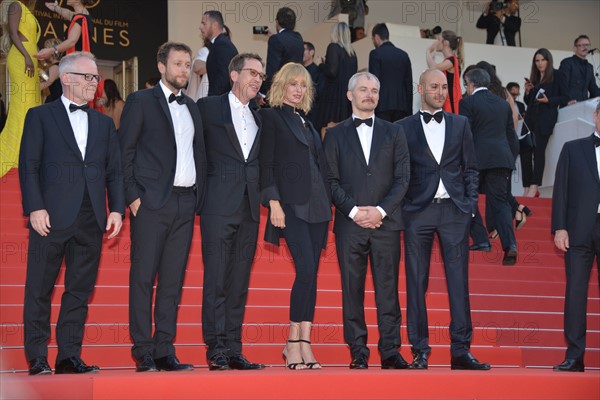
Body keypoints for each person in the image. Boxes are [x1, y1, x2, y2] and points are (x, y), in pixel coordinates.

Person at [19, 51, 124, 375]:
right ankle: (37, 358)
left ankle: (68, 357)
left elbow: (114, 172)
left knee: (79, 290)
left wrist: (117, 209)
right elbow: (29, 166)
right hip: (49, 217)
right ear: (66, 78)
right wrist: (35, 207)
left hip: (90, 217)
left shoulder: (104, 123)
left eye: (96, 77)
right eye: (88, 77)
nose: (95, 83)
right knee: (39, 289)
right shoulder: (40, 116)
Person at [120, 41, 207, 373]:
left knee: (172, 281)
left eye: (188, 65)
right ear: (161, 66)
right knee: (143, 278)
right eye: (178, 64)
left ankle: (164, 349)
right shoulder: (140, 102)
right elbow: (123, 153)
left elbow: (199, 154)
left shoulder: (193, 107)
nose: (184, 70)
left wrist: (199, 197)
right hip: (151, 204)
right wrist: (133, 197)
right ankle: (142, 349)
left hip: (186, 204)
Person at [396, 69, 490, 371]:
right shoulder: (402, 127)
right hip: (417, 213)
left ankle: (461, 350)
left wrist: (470, 206)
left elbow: (471, 168)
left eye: (444, 87)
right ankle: (419, 350)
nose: (440, 92)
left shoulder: (461, 124)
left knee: (458, 282)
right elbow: (399, 173)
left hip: (454, 212)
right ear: (420, 88)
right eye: (434, 86)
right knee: (416, 282)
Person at [323, 72, 410, 370]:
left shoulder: (395, 132)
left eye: (374, 90)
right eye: (363, 89)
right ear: (350, 94)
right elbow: (330, 181)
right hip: (350, 225)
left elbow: (403, 178)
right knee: (352, 291)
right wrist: (354, 212)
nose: (369, 95)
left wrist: (380, 211)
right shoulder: (334, 135)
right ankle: (358, 351)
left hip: (386, 224)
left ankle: (390, 351)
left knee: (389, 291)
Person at [197, 53, 266, 371]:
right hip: (217, 206)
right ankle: (216, 348)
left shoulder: (260, 115)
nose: (257, 79)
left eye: (261, 76)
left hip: (250, 208)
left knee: (239, 281)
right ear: (234, 74)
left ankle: (234, 347)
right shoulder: (207, 107)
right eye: (252, 72)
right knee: (217, 280)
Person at [260, 63, 331, 370]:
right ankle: (292, 343)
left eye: (303, 85)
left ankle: (305, 341)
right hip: (291, 206)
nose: (299, 90)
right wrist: (273, 202)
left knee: (311, 275)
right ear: (282, 86)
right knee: (305, 271)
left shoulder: (309, 123)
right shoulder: (272, 117)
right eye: (293, 84)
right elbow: (267, 163)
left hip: (318, 207)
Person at [551, 101, 600, 373]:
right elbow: (561, 190)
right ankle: (574, 356)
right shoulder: (573, 149)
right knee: (576, 293)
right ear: (595, 116)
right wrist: (560, 227)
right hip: (579, 230)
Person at [460, 68, 519, 265]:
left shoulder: (467, 102)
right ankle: (510, 245)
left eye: (466, 84)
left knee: (468, 198)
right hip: (501, 159)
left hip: (475, 159)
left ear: (471, 84)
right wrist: (510, 160)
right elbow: (511, 134)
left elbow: (465, 133)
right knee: (500, 203)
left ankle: (482, 240)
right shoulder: (503, 105)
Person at [0, 0, 41, 177]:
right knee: (23, 107)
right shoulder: (15, 5)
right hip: (22, 58)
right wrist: (26, 56)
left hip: (30, 58)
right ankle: (14, 155)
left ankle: (26, 154)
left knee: (32, 107)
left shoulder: (26, 9)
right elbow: (13, 32)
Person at [522, 48, 568, 197]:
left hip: (545, 118)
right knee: (525, 152)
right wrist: (528, 92)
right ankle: (527, 186)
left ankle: (535, 185)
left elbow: (565, 97)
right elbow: (528, 102)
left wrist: (549, 101)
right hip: (530, 118)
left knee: (538, 151)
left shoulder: (557, 75)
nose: (540, 63)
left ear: (548, 60)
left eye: (543, 60)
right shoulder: (534, 78)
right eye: (537, 61)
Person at [313, 22, 358, 134]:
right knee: (344, 130)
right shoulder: (352, 53)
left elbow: (332, 72)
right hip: (347, 96)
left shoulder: (333, 47)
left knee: (327, 127)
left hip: (333, 95)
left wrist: (320, 65)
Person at [369, 23, 413, 122]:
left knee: (382, 137)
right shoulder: (403, 55)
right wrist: (409, 111)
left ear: (376, 37)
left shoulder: (375, 54)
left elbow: (373, 82)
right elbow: (409, 85)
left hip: (381, 107)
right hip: (402, 108)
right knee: (398, 137)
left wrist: (370, 107)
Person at [261, 7, 304, 95]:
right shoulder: (298, 38)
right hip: (295, 86)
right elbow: (287, 45)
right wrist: (275, 36)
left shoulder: (276, 40)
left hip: (280, 89)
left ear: (277, 22)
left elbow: (272, 69)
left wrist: (265, 93)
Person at [200, 10, 238, 96]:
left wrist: (212, 100)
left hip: (220, 102)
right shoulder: (218, 43)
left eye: (204, 23)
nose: (200, 27)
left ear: (215, 25)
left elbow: (224, 77)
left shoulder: (222, 45)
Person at [426, 30, 464, 114]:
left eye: (439, 40)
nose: (436, 42)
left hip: (450, 104)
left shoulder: (452, 60)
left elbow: (433, 67)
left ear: (445, 43)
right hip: (446, 102)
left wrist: (428, 50)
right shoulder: (449, 61)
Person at [559, 35, 600, 105]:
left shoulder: (589, 67)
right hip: (569, 105)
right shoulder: (567, 63)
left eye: (587, 45)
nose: (585, 47)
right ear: (575, 48)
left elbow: (593, 89)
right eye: (582, 45)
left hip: (584, 106)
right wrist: (567, 101)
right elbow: (561, 85)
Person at [302, 41, 324, 124]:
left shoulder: (318, 71)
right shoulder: (298, 72)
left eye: (303, 49)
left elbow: (319, 93)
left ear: (311, 52)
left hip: (313, 114)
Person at [40, 38, 63, 104]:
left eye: (45, 48)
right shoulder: (59, 66)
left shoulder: (55, 67)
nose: (43, 51)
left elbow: (44, 84)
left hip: (57, 105)